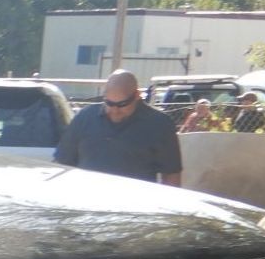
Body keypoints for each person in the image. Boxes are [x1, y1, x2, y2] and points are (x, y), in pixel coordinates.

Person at [53, 70, 182, 185]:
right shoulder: (85, 117)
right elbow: (62, 163)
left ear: (137, 95)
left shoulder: (159, 124)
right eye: (109, 103)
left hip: (135, 202)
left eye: (122, 104)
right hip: (87, 199)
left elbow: (171, 174)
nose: (115, 110)